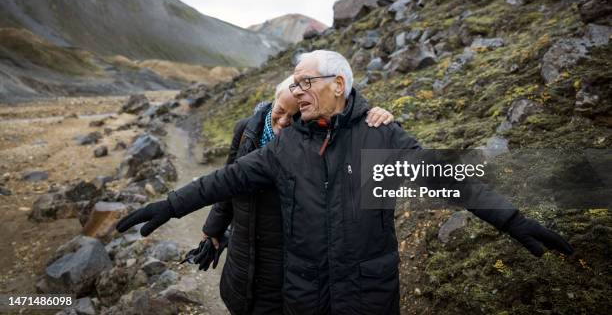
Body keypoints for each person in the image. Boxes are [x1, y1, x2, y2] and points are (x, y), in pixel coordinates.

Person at [117, 50, 573, 315]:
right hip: (303, 299)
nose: (296, 93)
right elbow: (227, 179)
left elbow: (446, 178)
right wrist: (170, 205)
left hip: (366, 297)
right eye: (293, 86)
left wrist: (513, 220)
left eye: (304, 83)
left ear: (338, 84)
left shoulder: (381, 135)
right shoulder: (286, 144)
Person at [202, 75, 394, 315]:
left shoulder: (313, 145)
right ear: (272, 101)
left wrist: (371, 117)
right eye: (279, 110)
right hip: (242, 254)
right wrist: (213, 229)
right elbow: (228, 181)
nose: (282, 121)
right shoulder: (246, 130)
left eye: (292, 118)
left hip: (284, 266)